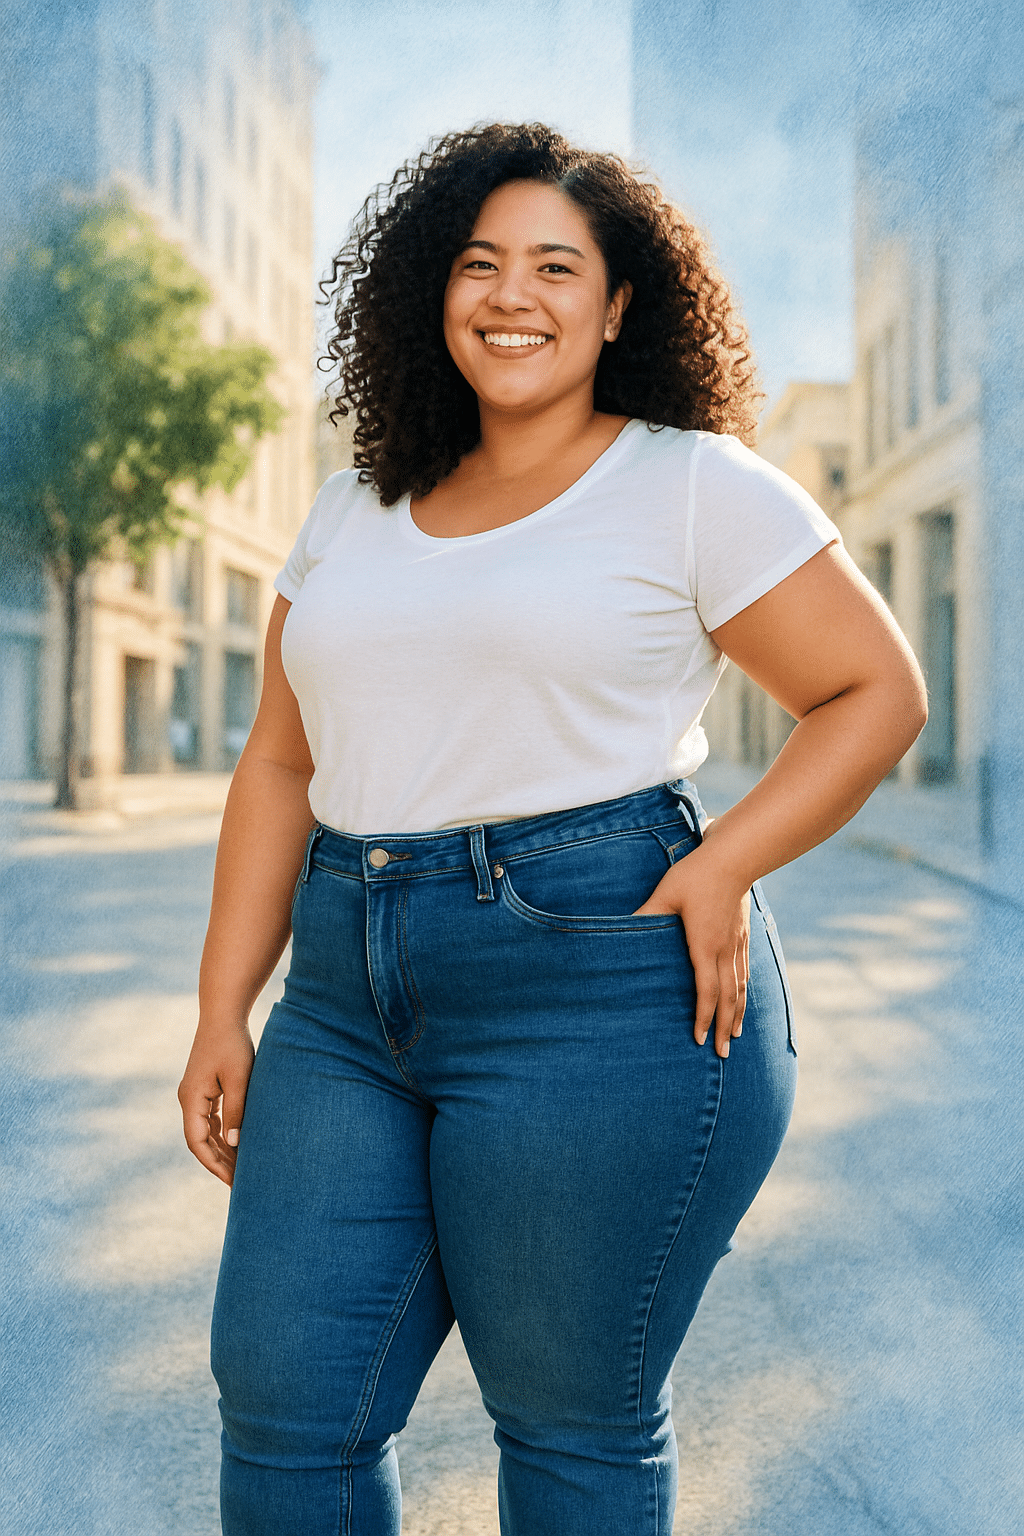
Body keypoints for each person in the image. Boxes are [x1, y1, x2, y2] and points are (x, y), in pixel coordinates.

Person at [178, 123, 927, 1536]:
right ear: (433, 292)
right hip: (341, 1002)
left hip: (600, 986)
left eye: (555, 267)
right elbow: (279, 761)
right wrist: (226, 1006)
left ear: (620, 304)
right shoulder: (351, 507)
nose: (511, 295)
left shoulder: (690, 483)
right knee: (285, 1407)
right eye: (479, 264)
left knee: (570, 1426)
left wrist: (725, 859)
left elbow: (875, 692)